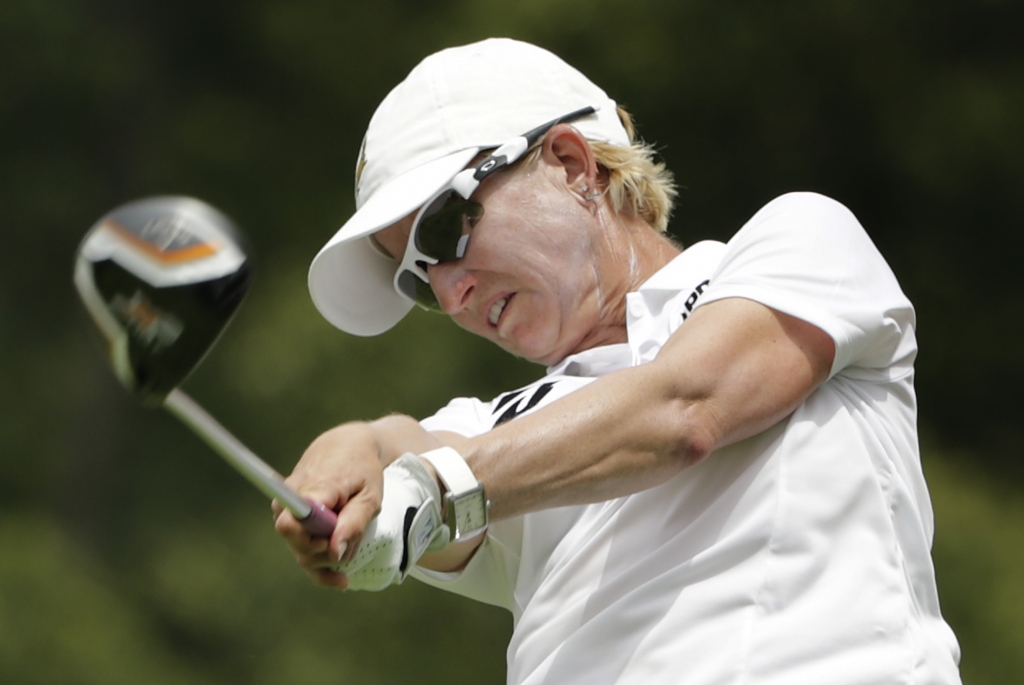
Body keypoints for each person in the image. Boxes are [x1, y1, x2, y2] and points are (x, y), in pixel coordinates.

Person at [273, 37, 963, 685]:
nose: (451, 295)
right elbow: (408, 446)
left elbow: (685, 409)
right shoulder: (501, 432)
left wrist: (433, 485)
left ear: (572, 164)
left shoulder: (798, 242)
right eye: (417, 278)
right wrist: (358, 447)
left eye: (445, 230)